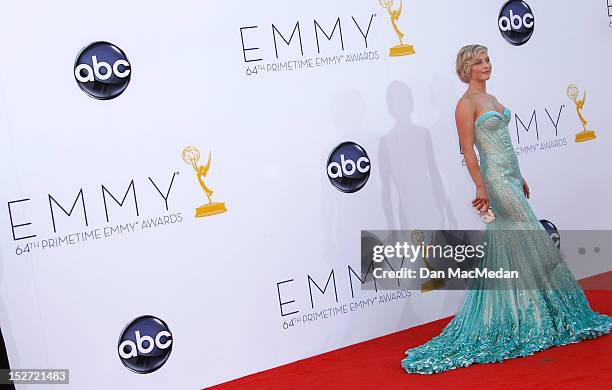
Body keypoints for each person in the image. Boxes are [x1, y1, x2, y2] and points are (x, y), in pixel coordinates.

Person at [401, 44, 612, 374]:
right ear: (466, 69)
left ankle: (530, 314)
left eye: (487, 60)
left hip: (511, 175)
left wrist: (520, 175)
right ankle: (534, 316)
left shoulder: (491, 98)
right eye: (478, 62)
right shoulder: (465, 104)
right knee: (530, 238)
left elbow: (505, 145)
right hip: (495, 180)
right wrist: (481, 186)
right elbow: (468, 150)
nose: (485, 65)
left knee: (516, 242)